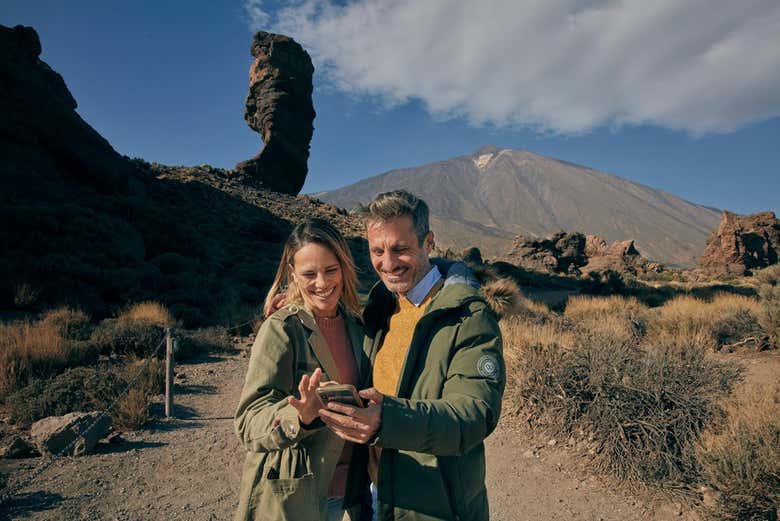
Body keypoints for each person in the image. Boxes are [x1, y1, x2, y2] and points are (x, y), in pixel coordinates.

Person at [318, 190, 509, 521]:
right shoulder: (379, 308)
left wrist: (387, 420)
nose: (387, 264)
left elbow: (475, 414)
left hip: (436, 505)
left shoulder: (468, 318)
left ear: (428, 243)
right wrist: (294, 309)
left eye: (400, 249)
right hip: (376, 498)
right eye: (377, 251)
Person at [234, 218, 371, 521]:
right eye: (309, 274)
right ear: (294, 275)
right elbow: (248, 422)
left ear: (345, 267)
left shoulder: (358, 326)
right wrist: (298, 415)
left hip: (356, 493)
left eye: (331, 270)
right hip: (300, 498)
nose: (322, 283)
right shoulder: (282, 330)